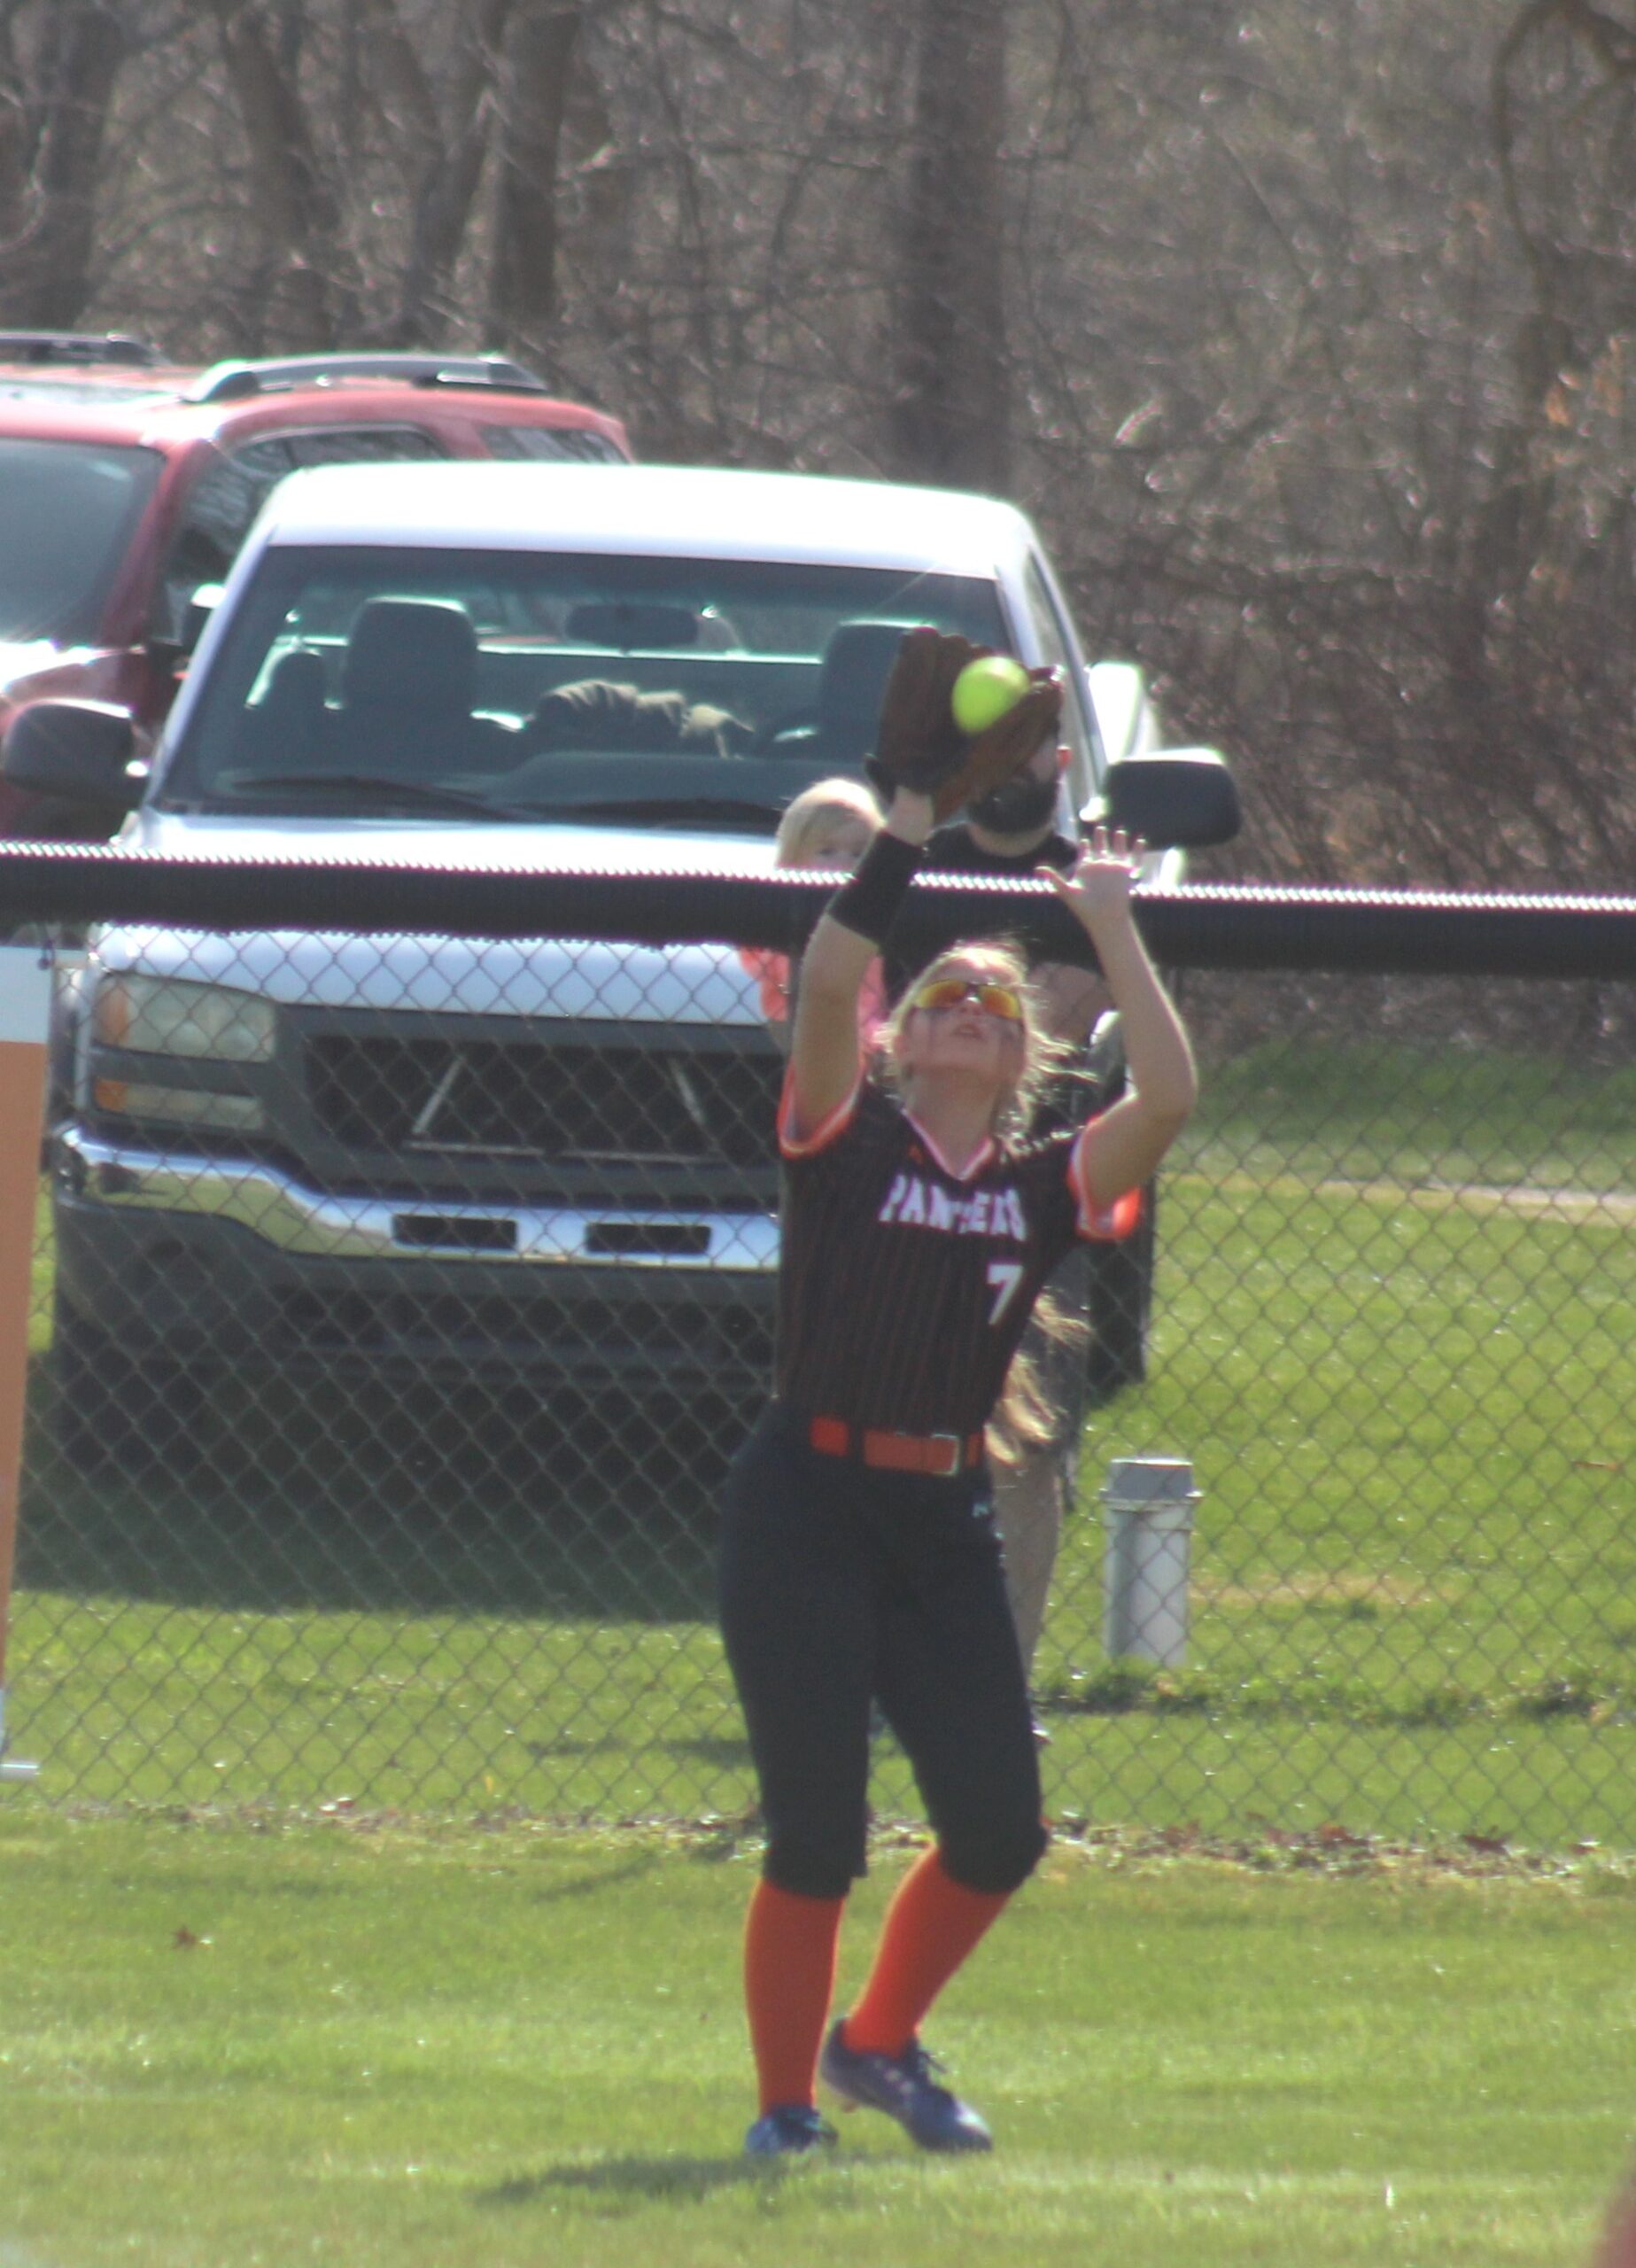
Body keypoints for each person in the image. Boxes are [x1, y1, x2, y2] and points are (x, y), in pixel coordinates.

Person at [717, 628, 1197, 2158]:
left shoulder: (1038, 1186)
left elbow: (1171, 1095)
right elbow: (832, 973)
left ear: (1021, 1054)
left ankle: (876, 2043)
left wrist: (1106, 919)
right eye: (943, 998)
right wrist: (907, 824)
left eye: (996, 1002)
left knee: (997, 1829)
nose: (971, 1007)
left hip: (939, 1516)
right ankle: (786, 2110)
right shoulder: (843, 1137)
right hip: (803, 1500)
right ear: (905, 1038)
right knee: (815, 1835)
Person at [897, 730, 1110, 1681]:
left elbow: (1056, 1028)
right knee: (891, 1437)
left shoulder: (1082, 887)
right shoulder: (914, 871)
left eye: (1025, 752)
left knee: (1024, 1449)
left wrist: (941, 1015)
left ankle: (1001, 1683)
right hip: (900, 1193)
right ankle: (889, 1671)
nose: (1006, 770)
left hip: (1030, 1200)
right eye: (988, 750)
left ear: (1058, 764)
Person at [740, 777, 888, 1043]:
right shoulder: (781, 912)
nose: (844, 864)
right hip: (799, 1028)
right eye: (827, 851)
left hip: (874, 1035)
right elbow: (757, 960)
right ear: (793, 858)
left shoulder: (882, 913)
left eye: (858, 853)